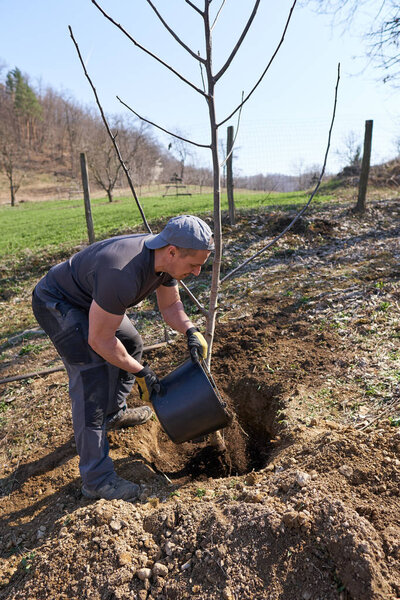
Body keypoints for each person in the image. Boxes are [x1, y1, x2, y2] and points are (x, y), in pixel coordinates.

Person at [32, 214, 214, 501]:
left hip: (94, 300)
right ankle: (97, 479)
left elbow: (170, 308)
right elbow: (99, 340)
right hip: (59, 303)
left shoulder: (165, 262)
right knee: (91, 379)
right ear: (172, 251)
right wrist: (141, 371)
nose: (197, 272)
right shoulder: (123, 273)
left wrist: (190, 330)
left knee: (130, 341)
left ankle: (114, 414)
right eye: (194, 265)